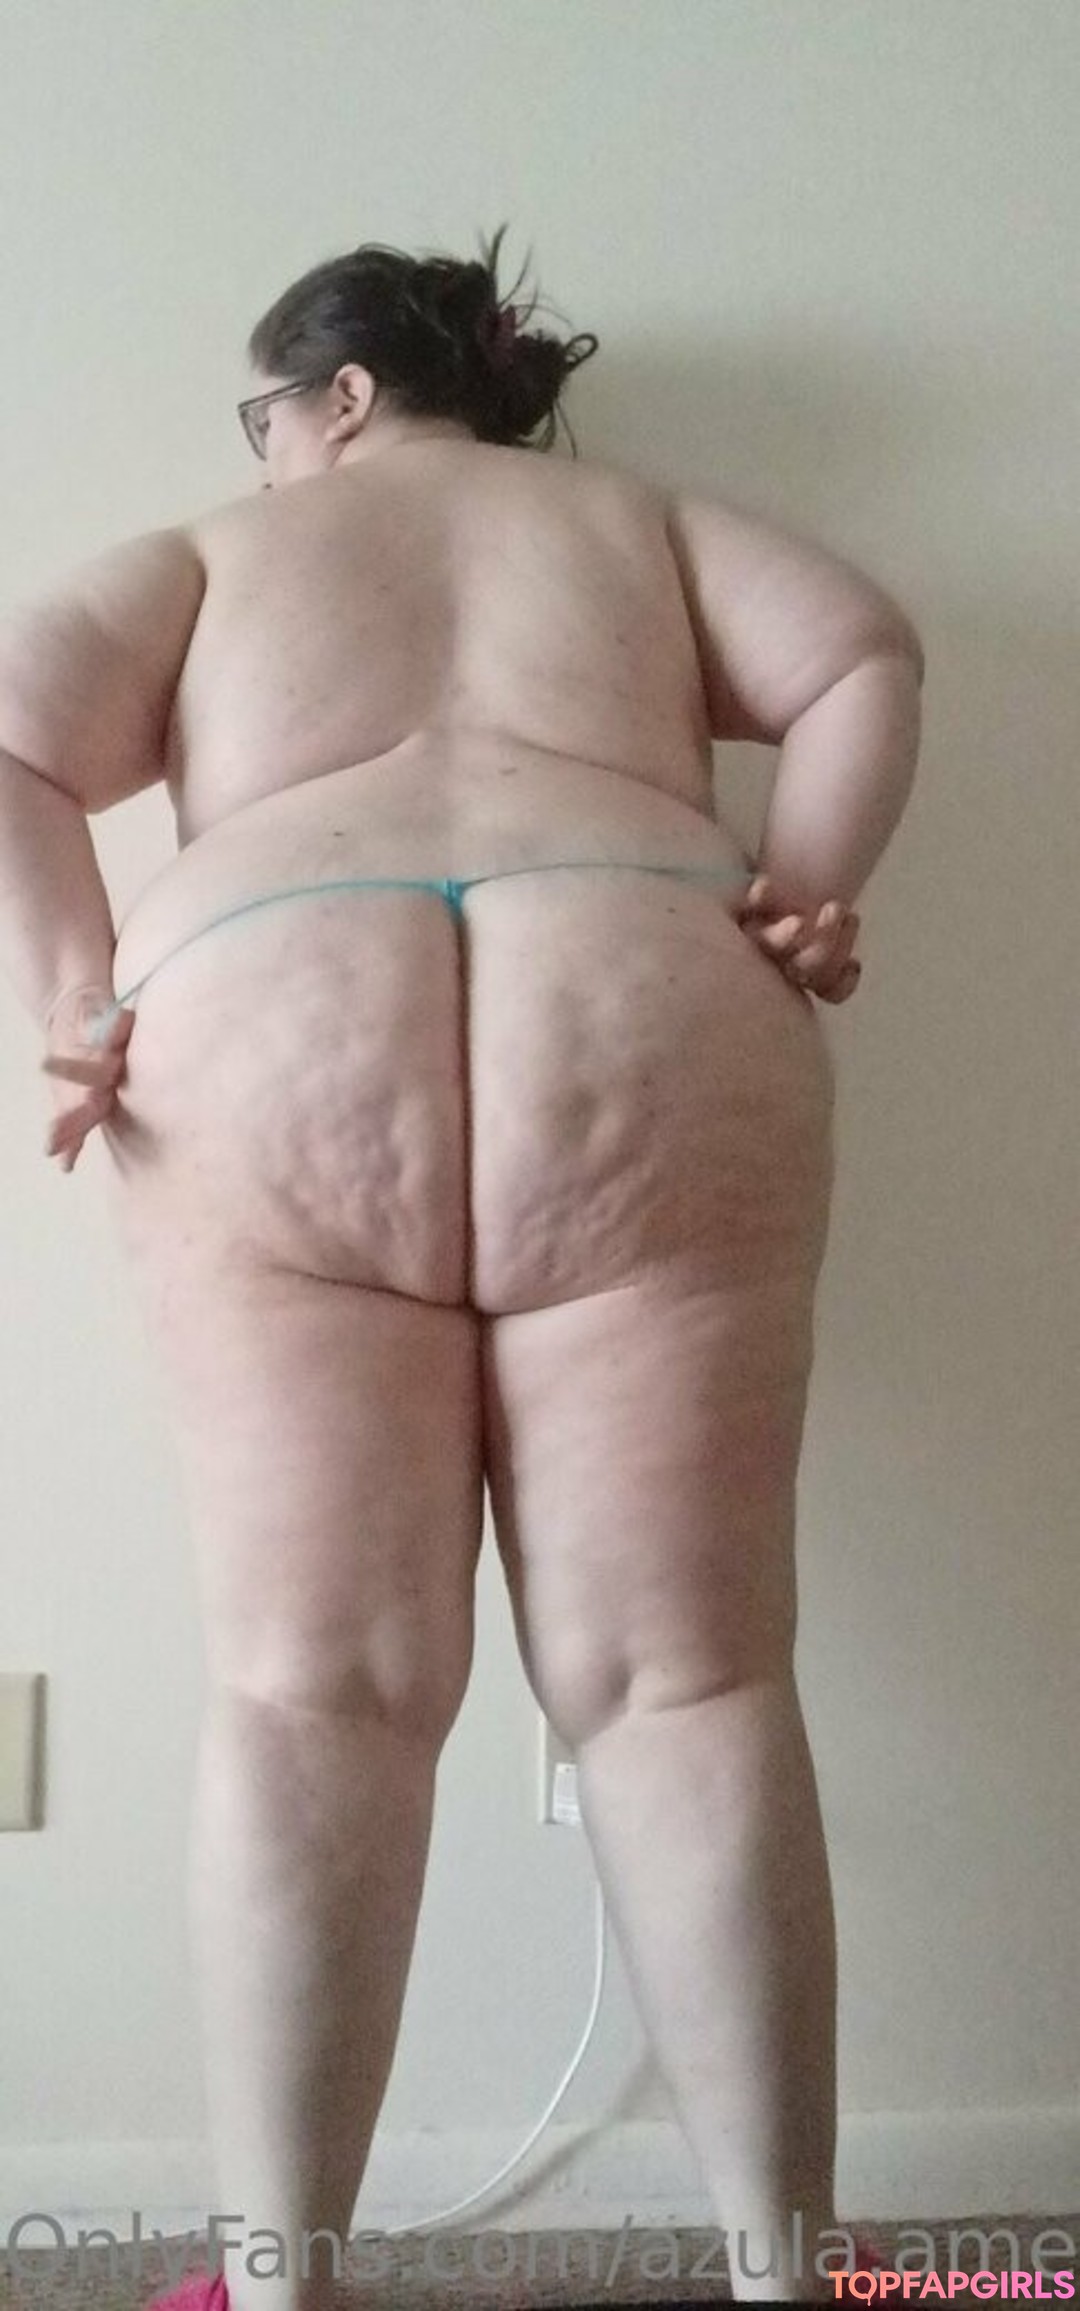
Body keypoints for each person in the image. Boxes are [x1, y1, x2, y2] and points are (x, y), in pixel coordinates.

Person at [0, 223, 923, 2306]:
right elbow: (864, 652)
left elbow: (12, 727)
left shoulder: (224, 553)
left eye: (260, 418)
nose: (256, 454)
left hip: (269, 1013)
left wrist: (76, 990)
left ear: (336, 397)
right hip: (648, 983)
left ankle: (278, 2282)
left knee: (313, 1690)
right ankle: (789, 2272)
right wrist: (812, 879)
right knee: (687, 1679)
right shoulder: (642, 524)